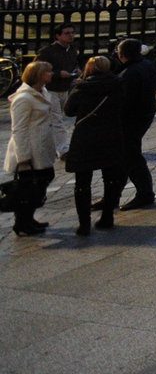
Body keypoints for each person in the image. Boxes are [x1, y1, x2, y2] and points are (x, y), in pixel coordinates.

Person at [64, 56, 126, 236]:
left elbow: (69, 110)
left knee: (82, 182)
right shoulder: (118, 84)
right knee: (111, 178)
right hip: (111, 133)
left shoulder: (81, 87)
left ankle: (84, 224)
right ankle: (107, 217)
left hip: (86, 136)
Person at [7, 61, 56, 236]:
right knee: (29, 186)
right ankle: (22, 221)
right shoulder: (24, 98)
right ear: (38, 75)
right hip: (31, 149)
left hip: (42, 147)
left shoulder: (42, 92)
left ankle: (28, 218)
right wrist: (23, 157)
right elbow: (18, 129)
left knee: (41, 182)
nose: (51, 74)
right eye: (48, 72)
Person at [114, 38, 156, 210]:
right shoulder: (147, 65)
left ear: (121, 54)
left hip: (131, 119)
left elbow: (126, 101)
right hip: (144, 114)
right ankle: (114, 193)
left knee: (131, 156)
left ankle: (145, 193)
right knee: (126, 155)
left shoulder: (129, 73)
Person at [35, 22, 80, 157]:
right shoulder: (47, 52)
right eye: (67, 33)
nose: (71, 36)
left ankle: (49, 145)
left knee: (55, 119)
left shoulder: (72, 49)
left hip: (65, 88)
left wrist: (76, 70)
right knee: (56, 120)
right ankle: (63, 150)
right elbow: (36, 69)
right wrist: (57, 73)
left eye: (72, 32)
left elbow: (74, 63)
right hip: (50, 89)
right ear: (57, 36)